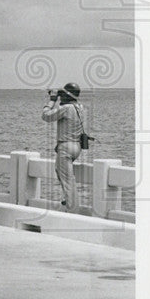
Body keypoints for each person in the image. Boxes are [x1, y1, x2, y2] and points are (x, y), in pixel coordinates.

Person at [41, 82, 87, 211]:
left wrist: (51, 101)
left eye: (63, 95)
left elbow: (46, 116)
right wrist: (61, 95)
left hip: (65, 148)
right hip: (76, 147)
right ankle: (69, 201)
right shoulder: (80, 107)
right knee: (62, 174)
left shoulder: (66, 108)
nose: (61, 97)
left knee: (67, 181)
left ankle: (72, 210)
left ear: (67, 95)